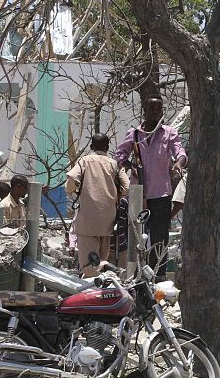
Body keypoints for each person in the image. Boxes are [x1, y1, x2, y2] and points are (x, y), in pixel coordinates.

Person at [115, 94, 187, 279]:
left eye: (158, 108)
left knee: (159, 236)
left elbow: (180, 151)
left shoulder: (169, 133)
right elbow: (120, 156)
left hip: (161, 193)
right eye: (152, 108)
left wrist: (179, 163)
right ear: (145, 110)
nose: (155, 112)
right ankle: (136, 273)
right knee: (137, 235)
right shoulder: (135, 134)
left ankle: (158, 275)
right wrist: (130, 165)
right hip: (138, 194)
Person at [66, 133, 129, 272]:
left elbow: (70, 181)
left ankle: (92, 290)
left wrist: (74, 191)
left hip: (87, 221)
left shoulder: (84, 161)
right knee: (102, 263)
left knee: (90, 267)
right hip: (107, 223)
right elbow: (127, 187)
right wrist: (115, 195)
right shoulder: (114, 165)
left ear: (91, 146)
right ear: (107, 147)